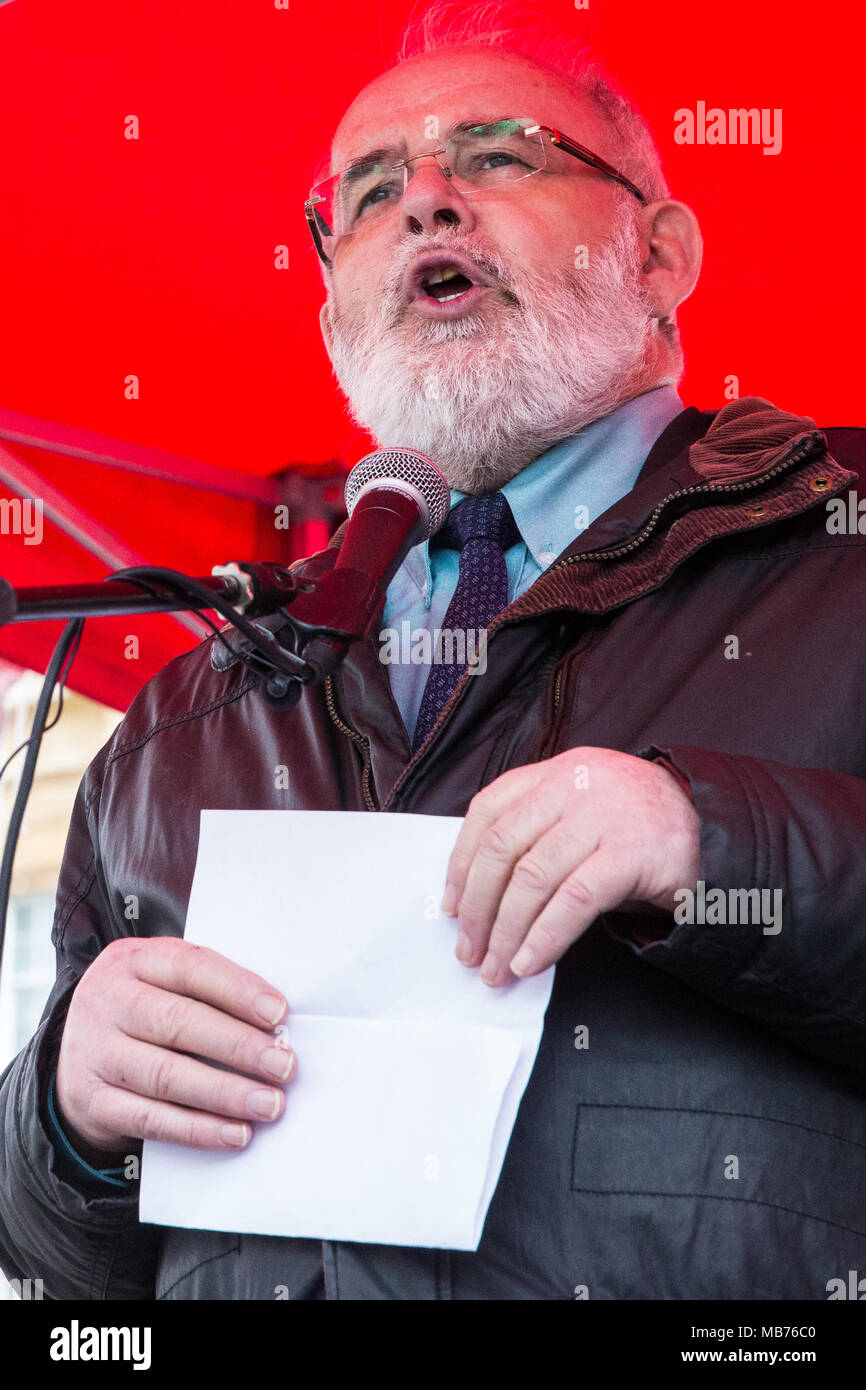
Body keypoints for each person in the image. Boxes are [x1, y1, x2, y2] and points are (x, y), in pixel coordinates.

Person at [1, 1, 864, 1301]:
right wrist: (70, 1110)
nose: (424, 203)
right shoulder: (190, 706)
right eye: (365, 189)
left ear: (660, 252)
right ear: (331, 300)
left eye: (500, 153)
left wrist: (715, 839)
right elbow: (69, 1269)